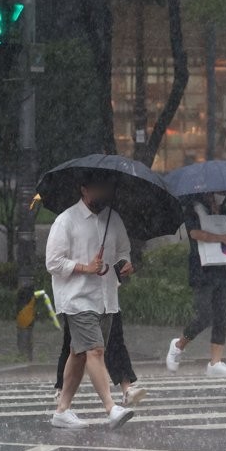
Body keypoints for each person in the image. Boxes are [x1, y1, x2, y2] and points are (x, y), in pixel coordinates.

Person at [45, 170, 137, 430]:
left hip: (107, 297)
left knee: (79, 354)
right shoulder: (66, 221)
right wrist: (85, 267)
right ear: (84, 190)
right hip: (76, 298)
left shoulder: (113, 219)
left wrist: (125, 263)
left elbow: (123, 251)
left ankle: (62, 410)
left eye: (106, 187)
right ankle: (111, 408)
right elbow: (53, 262)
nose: (103, 192)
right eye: (98, 188)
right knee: (95, 350)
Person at [166, 192, 226, 377]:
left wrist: (219, 226)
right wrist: (220, 237)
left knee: (222, 315)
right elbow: (195, 233)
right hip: (201, 269)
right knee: (204, 315)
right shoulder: (193, 208)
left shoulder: (223, 209)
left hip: (221, 267)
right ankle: (178, 345)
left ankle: (215, 362)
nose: (214, 195)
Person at [54, 312, 146, 407]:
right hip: (78, 303)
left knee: (115, 338)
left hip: (107, 302)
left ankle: (127, 390)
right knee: (73, 345)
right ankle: (62, 392)